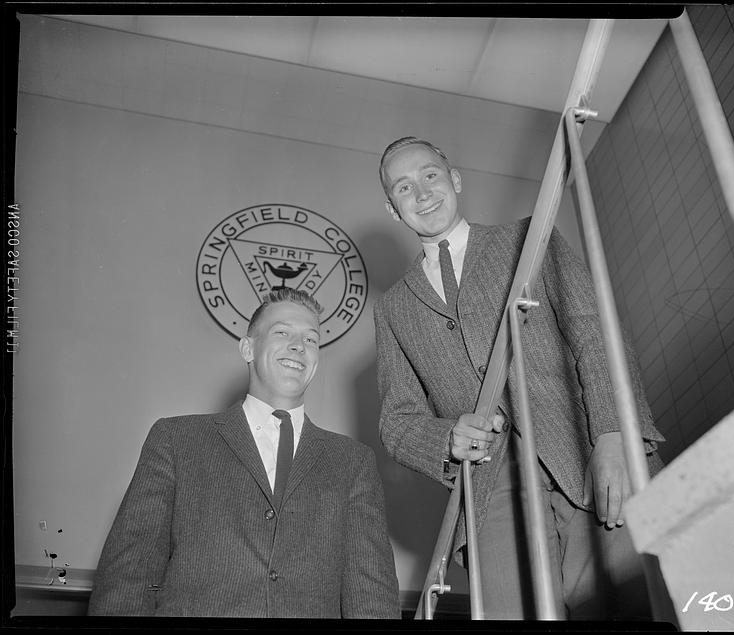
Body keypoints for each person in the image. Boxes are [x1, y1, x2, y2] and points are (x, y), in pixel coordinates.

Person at [373, 136, 665, 620]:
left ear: (455, 179)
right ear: (392, 209)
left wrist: (615, 435)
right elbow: (398, 421)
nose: (422, 193)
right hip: (492, 491)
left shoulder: (530, 240)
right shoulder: (393, 308)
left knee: (628, 607)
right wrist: (446, 438)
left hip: (585, 450)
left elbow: (595, 334)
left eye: (429, 175)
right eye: (404, 188)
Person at [89, 288, 400, 618]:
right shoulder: (176, 440)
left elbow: (371, 596)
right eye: (282, 332)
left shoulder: (352, 462)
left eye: (311, 340)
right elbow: (128, 578)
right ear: (248, 348)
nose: (299, 346)